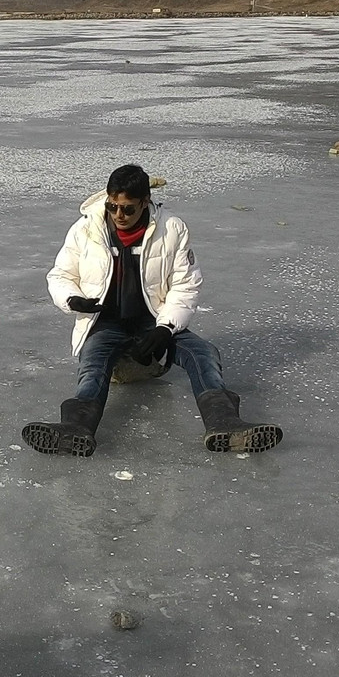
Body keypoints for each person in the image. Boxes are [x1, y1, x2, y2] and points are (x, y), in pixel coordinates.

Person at [22, 163, 282, 457]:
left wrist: (165, 329)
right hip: (104, 324)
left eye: (128, 209)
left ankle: (225, 422)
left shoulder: (172, 229)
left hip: (154, 321)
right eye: (112, 206)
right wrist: (72, 299)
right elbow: (61, 275)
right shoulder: (85, 229)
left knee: (204, 353)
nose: (119, 215)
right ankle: (75, 428)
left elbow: (186, 285)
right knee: (93, 366)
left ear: (145, 201)